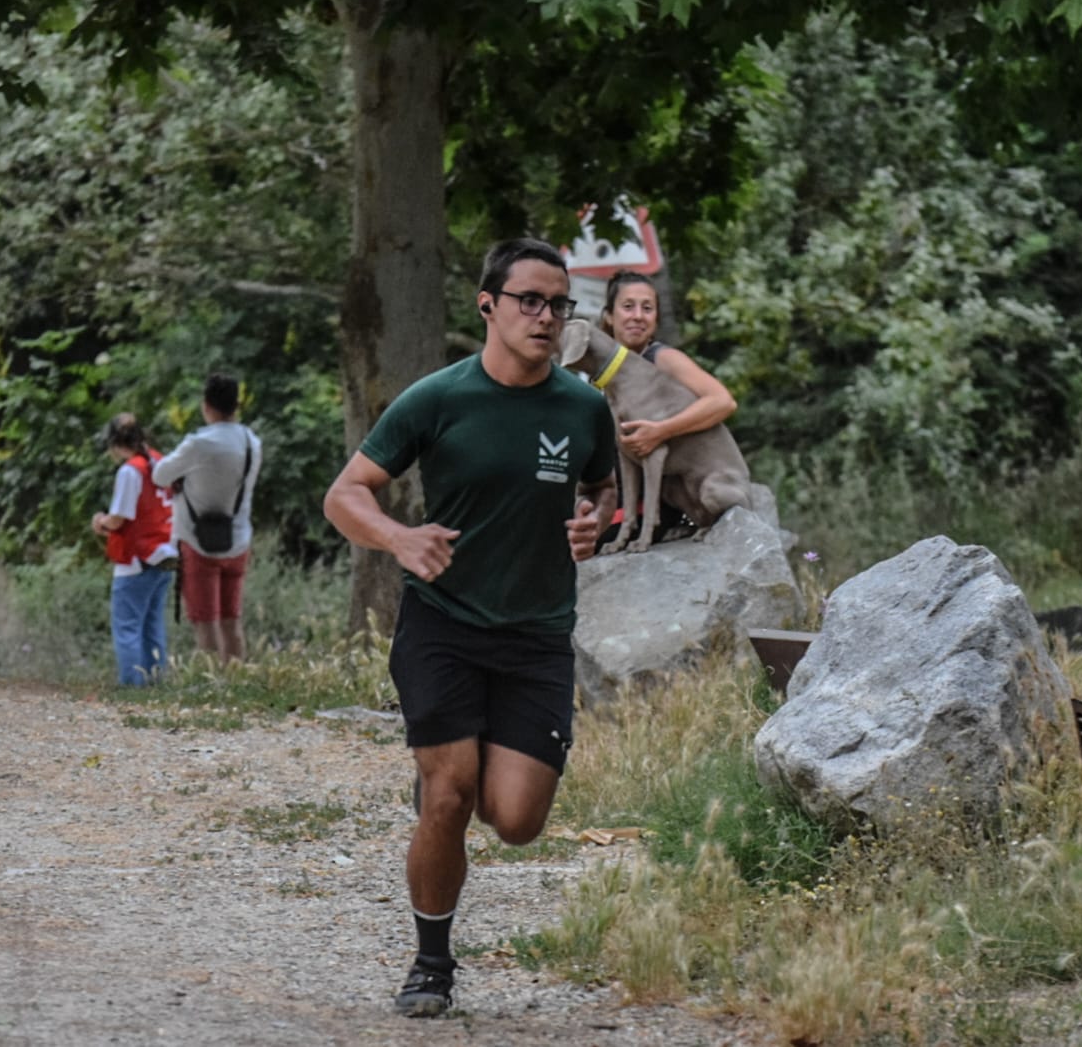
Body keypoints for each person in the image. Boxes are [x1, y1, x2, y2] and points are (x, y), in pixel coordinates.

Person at [322, 238, 617, 1018]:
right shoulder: (437, 398)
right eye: (531, 300)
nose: (547, 316)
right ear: (488, 305)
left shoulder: (584, 405)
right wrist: (398, 537)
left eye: (560, 304)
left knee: (515, 820)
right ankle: (431, 963)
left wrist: (596, 522)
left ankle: (454, 767)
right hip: (444, 624)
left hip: (537, 636)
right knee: (449, 795)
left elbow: (602, 484)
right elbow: (345, 493)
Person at [598, 269, 739, 543]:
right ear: (609, 316)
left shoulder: (662, 359)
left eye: (647, 308)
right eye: (628, 307)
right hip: (615, 499)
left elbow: (722, 401)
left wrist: (661, 431)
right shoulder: (607, 373)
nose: (638, 315)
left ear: (656, 319)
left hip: (654, 505)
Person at [152, 374, 263, 663]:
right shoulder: (252, 443)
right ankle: (239, 681)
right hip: (238, 538)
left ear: (206, 406)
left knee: (205, 621)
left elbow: (160, 474)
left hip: (196, 542)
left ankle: (214, 685)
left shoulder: (199, 444)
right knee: (231, 620)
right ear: (237, 405)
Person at [90, 414, 177, 686]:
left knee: (127, 628)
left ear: (115, 443)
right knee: (153, 626)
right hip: (166, 554)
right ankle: (155, 683)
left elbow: (120, 518)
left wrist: (101, 521)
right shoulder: (161, 463)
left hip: (137, 559)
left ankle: (132, 687)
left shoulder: (131, 471)